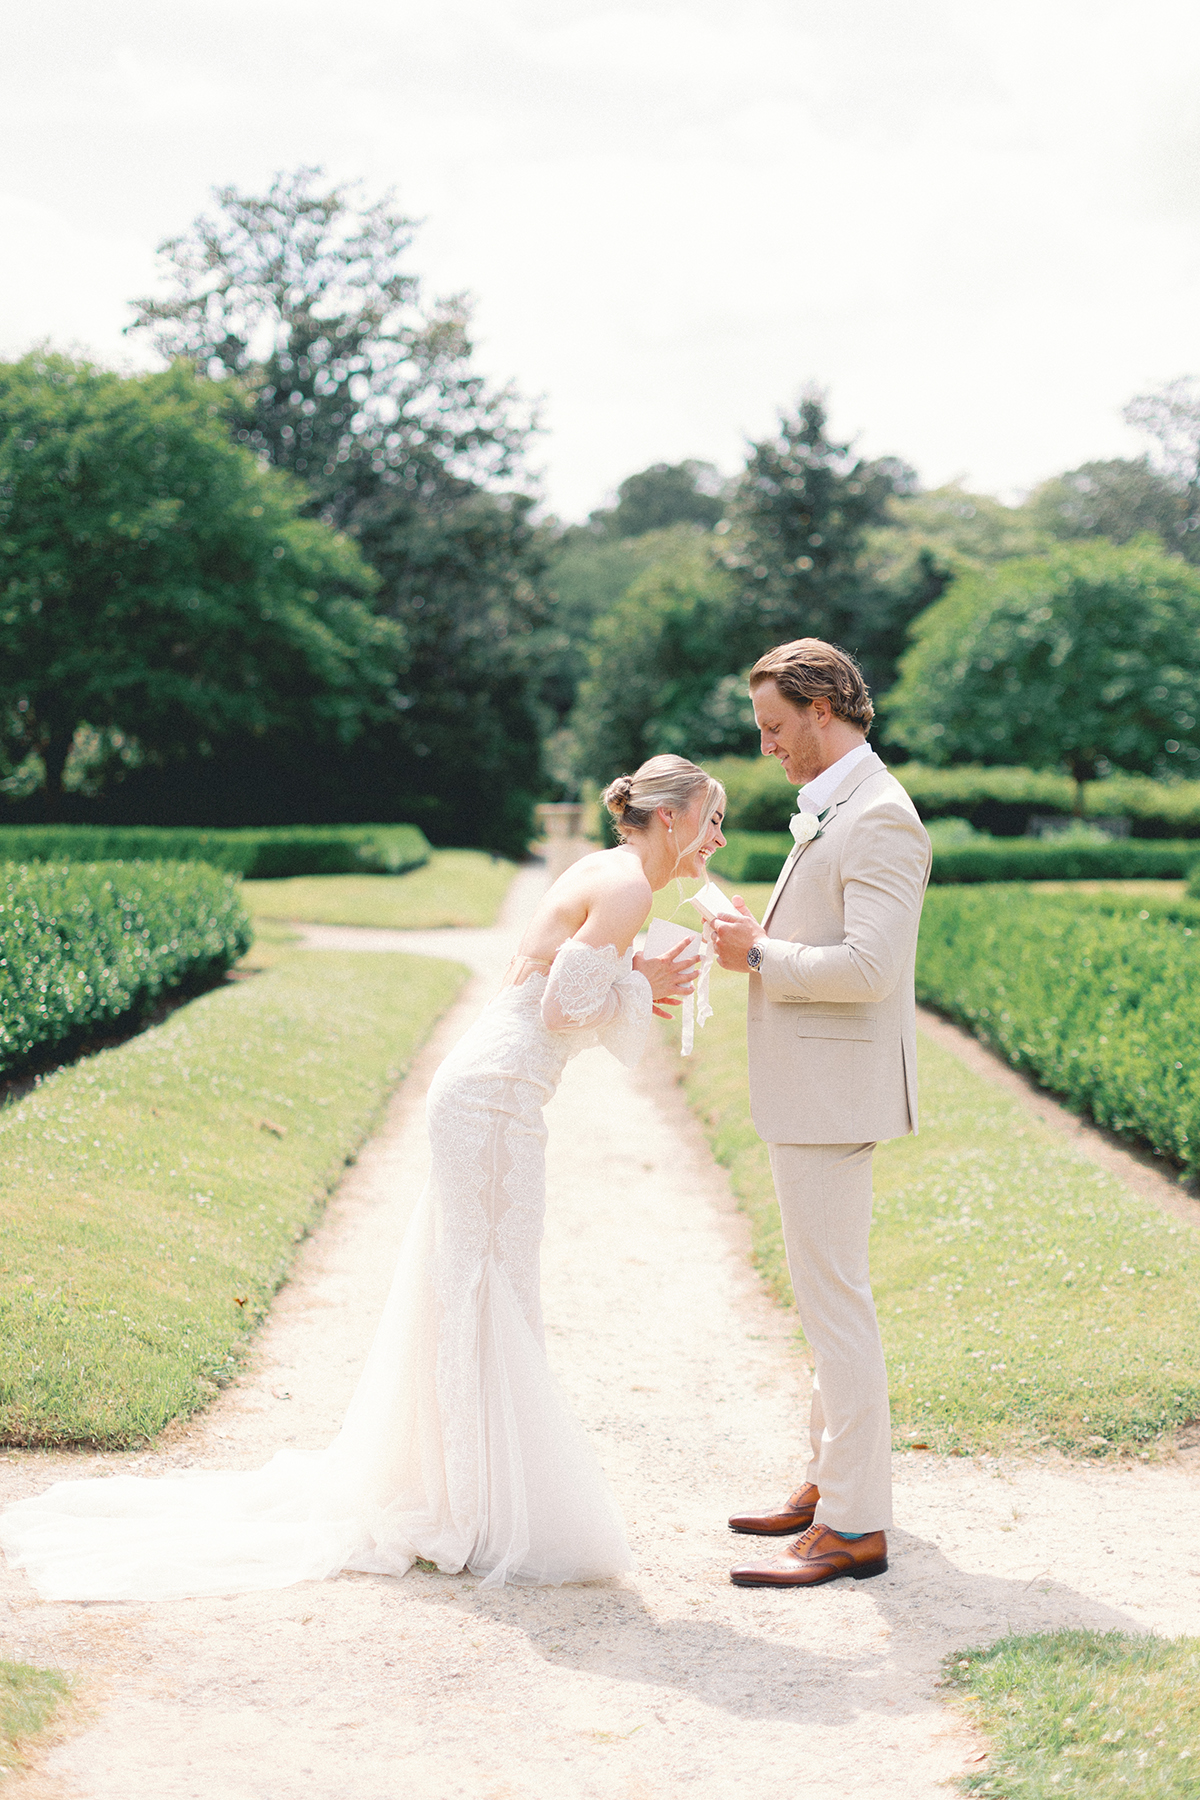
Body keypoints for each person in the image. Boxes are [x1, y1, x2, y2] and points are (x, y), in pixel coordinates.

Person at [0, 756, 726, 1601]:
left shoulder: (607, 872)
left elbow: (541, 990)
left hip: (493, 1092)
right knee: (488, 1286)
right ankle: (474, 1506)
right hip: (494, 1100)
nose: (716, 835)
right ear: (670, 817)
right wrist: (641, 980)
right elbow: (563, 1008)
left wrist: (632, 983)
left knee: (477, 1285)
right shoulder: (629, 887)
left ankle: (467, 1494)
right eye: (711, 818)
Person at [709, 639, 930, 1589]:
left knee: (837, 1309)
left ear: (823, 709)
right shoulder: (839, 806)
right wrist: (756, 938)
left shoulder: (880, 817)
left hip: (833, 1101)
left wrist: (756, 955)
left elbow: (870, 968)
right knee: (824, 1303)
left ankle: (855, 1525)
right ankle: (827, 1481)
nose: (767, 746)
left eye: (775, 727)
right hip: (814, 1093)